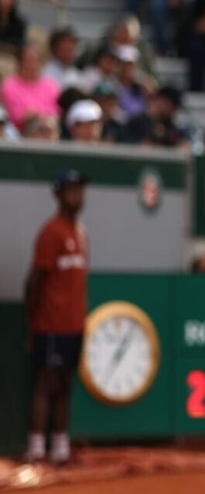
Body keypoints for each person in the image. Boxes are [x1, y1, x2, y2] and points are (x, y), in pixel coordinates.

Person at [25, 170, 89, 465]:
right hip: (50, 324)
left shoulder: (80, 232)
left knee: (65, 383)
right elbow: (35, 280)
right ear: (58, 195)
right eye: (71, 190)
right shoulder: (51, 232)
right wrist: (34, 321)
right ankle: (37, 448)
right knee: (45, 383)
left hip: (74, 324)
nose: (77, 196)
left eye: (80, 190)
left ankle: (61, 448)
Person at [2, 46, 62, 127]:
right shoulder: (9, 84)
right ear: (19, 62)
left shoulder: (51, 85)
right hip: (19, 133)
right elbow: (15, 115)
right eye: (27, 60)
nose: (31, 64)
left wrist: (36, 114)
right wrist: (42, 114)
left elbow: (58, 111)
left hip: (49, 129)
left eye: (35, 60)